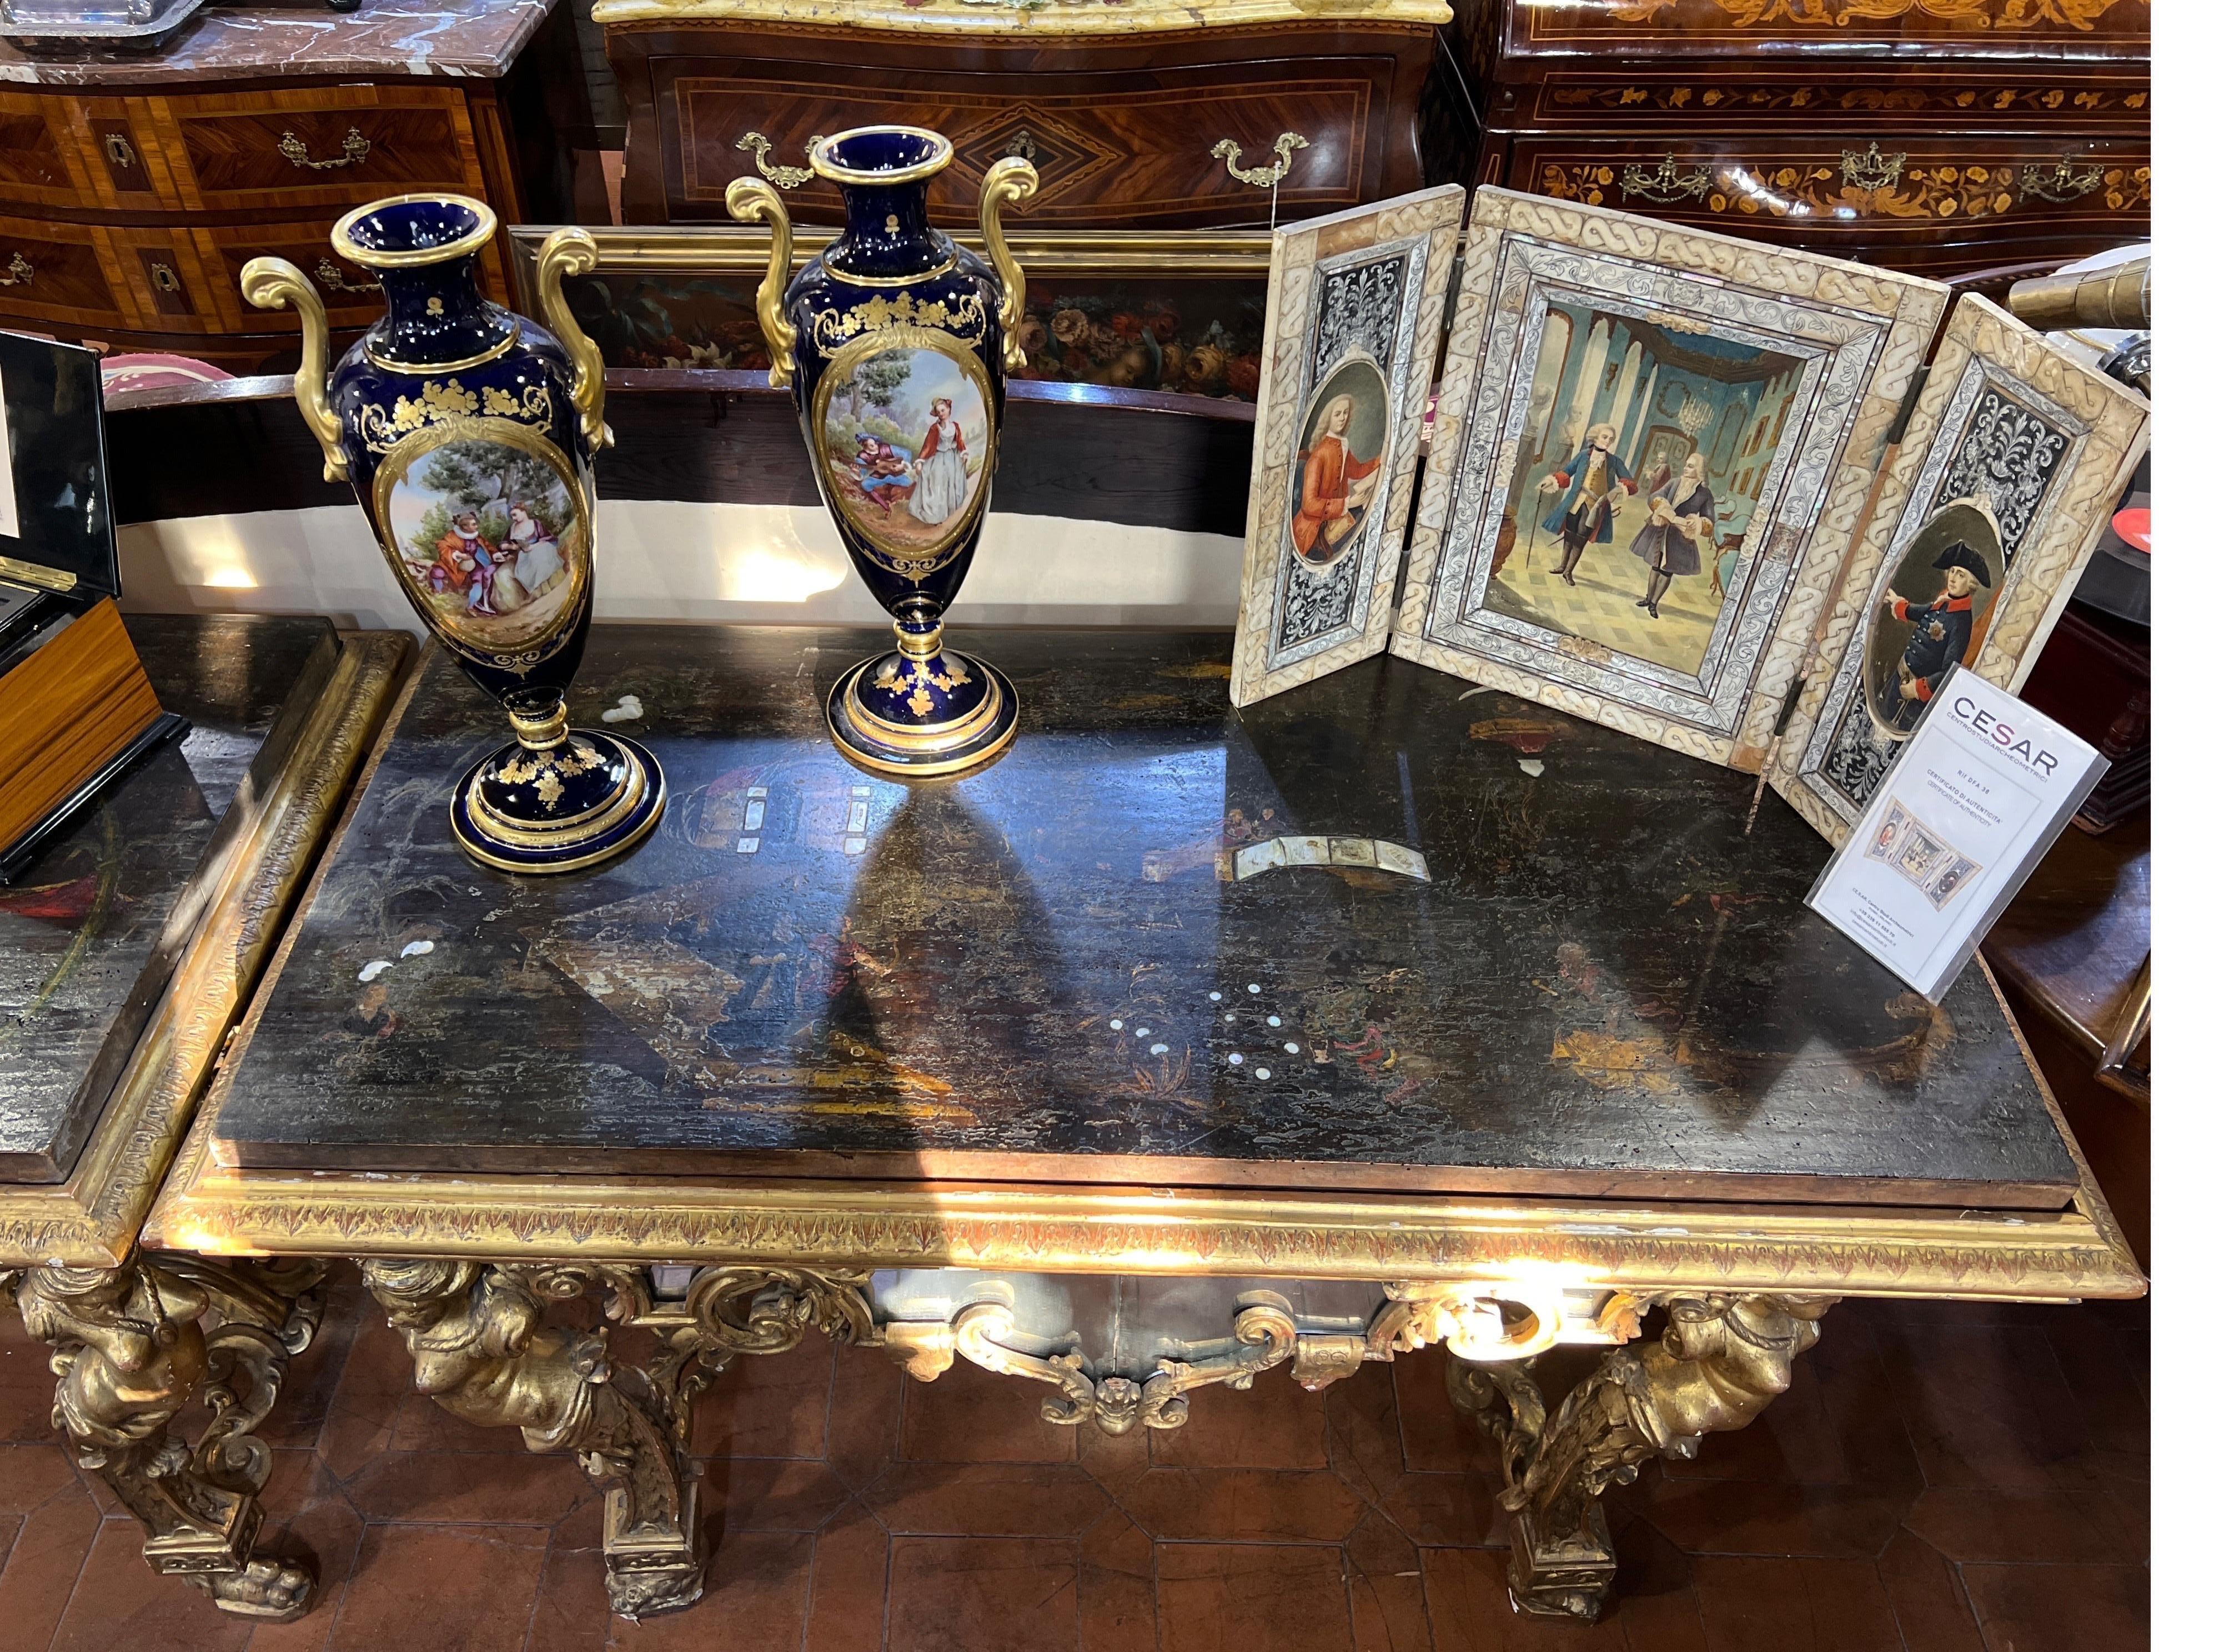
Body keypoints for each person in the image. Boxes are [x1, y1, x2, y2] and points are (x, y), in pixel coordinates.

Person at [1877, 544, 1991, 732]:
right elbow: (1922, 611)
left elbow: (1949, 670)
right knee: (1882, 718)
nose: (1953, 578)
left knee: (1900, 733)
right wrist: (1900, 604)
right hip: (1901, 674)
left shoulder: (1961, 622)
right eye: (1953, 571)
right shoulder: (1944, 601)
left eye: (1961, 575)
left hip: (1916, 695)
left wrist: (1917, 689)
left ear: (1971, 584)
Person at [1537, 423, 1635, 587]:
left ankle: (1569, 571)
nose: (1608, 442)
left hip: (1595, 506)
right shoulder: (1583, 456)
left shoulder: (1614, 461)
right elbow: (1567, 472)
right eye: (1605, 437)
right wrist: (1551, 481)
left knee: (1581, 537)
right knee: (1570, 533)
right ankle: (1562, 566)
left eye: (1611, 439)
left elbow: (1630, 483)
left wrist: (1617, 491)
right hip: (1575, 501)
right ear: (1595, 437)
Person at [1290, 393, 1383, 563]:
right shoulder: (1319, 456)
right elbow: (1309, 504)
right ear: (1328, 418)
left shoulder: (1341, 445)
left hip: (1334, 520)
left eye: (1346, 413)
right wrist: (1348, 503)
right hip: (1313, 532)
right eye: (1338, 414)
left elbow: (1358, 471)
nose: (1342, 418)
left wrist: (1381, 459)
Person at [1626, 450, 1715, 620]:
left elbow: (1709, 520)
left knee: (1667, 571)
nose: (1685, 469)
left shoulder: (1705, 494)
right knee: (1655, 565)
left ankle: (1654, 604)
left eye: (1690, 467)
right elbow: (1656, 495)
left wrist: (1696, 523)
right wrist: (1665, 507)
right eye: (1686, 465)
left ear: (1699, 471)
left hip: (1680, 536)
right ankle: (1648, 598)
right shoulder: (1675, 482)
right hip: (1661, 529)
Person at [908, 397, 971, 526]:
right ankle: (937, 515)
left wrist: (963, 452)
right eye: (939, 412)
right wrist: (920, 461)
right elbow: (927, 446)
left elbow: (960, 442)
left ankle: (950, 512)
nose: (942, 414)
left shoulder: (955, 426)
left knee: (951, 484)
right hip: (938, 460)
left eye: (943, 410)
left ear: (948, 409)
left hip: (952, 459)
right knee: (938, 485)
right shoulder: (935, 428)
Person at [431, 510, 496, 616]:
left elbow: (488, 546)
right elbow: (442, 546)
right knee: (437, 572)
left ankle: (471, 606)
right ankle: (439, 592)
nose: (476, 527)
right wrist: (460, 556)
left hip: (474, 562)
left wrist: (496, 554)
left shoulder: (477, 536)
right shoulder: (452, 536)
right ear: (465, 527)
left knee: (479, 580)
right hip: (455, 563)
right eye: (474, 524)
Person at [506, 503, 566, 598]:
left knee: (542, 553)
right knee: (532, 560)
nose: (513, 519)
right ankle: (542, 590)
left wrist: (537, 545)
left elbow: (546, 537)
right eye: (512, 516)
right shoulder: (513, 529)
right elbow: (505, 544)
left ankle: (552, 583)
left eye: (515, 515)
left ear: (523, 511)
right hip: (525, 554)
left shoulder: (535, 523)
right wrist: (509, 547)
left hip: (540, 547)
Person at [850, 435, 914, 515]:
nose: (875, 446)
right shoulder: (862, 456)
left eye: (875, 443)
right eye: (871, 445)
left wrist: (902, 465)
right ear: (864, 445)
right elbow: (861, 473)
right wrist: (856, 472)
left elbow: (907, 453)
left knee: (911, 484)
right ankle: (886, 507)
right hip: (878, 477)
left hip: (894, 475)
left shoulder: (885, 448)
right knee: (865, 484)